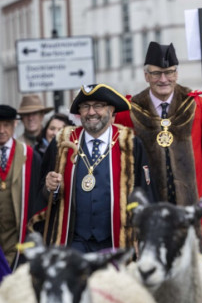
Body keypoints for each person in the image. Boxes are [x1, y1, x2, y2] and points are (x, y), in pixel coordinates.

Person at [114, 42, 202, 268]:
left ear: (176, 73)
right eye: (157, 73)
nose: (164, 79)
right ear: (146, 76)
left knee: (195, 274)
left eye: (169, 72)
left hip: (195, 212)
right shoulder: (127, 113)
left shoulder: (199, 107)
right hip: (149, 213)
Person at [38, 84, 155, 253]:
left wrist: (142, 237)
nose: (91, 112)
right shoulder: (62, 143)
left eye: (98, 106)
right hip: (73, 243)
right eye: (85, 106)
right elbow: (42, 193)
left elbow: (144, 194)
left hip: (116, 242)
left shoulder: (130, 145)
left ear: (111, 110)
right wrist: (51, 188)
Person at [0, 104, 42, 267]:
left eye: (7, 125)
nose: (2, 130)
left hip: (18, 233)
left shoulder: (29, 155)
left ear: (15, 125)